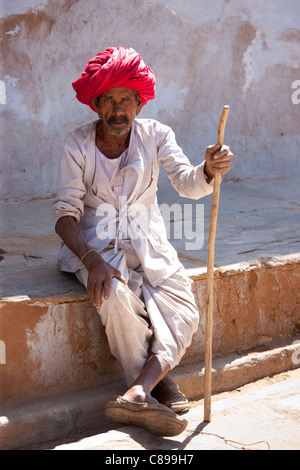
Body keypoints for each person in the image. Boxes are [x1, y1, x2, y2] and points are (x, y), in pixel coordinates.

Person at [52, 46, 233, 437]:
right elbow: (64, 215)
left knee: (184, 308)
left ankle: (136, 390)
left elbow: (187, 182)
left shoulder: (156, 135)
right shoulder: (77, 144)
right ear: (96, 103)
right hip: (97, 249)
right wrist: (91, 259)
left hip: (150, 245)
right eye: (110, 100)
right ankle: (158, 385)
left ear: (138, 102)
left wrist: (207, 168)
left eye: (127, 100)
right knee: (114, 298)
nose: (119, 110)